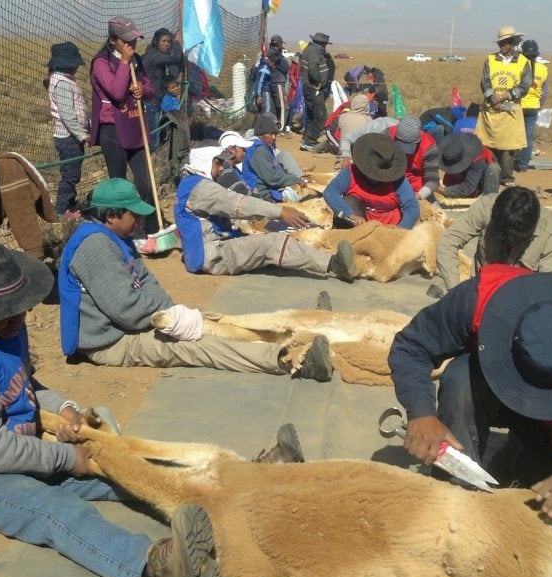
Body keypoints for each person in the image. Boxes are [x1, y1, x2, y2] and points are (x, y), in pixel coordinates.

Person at [0, 243, 221, 577]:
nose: (17, 318)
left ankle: (212, 491)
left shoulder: (7, 328)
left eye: (20, 308)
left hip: (21, 448)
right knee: (53, 510)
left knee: (119, 470)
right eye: (5, 312)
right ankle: (159, 566)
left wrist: (68, 409)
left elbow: (25, 386)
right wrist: (67, 459)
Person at [388, 266, 552, 521]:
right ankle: (458, 482)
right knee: (461, 377)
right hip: (490, 394)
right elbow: (412, 346)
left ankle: (534, 456)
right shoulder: (478, 300)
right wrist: (421, 411)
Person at [59, 177, 345, 381]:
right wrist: (171, 320)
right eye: (133, 215)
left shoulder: (115, 238)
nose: (139, 220)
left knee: (212, 322)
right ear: (111, 216)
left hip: (132, 323)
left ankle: (284, 337)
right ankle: (287, 362)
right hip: (111, 342)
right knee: (197, 347)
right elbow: (126, 309)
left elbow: (147, 283)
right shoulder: (95, 247)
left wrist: (173, 313)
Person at [176, 146, 354, 281]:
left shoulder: (190, 185)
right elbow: (238, 204)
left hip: (213, 245)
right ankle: (333, 265)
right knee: (272, 243)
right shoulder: (201, 188)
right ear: (204, 164)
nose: (222, 168)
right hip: (211, 255)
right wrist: (279, 211)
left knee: (270, 237)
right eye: (217, 164)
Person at [90, 16, 157, 233]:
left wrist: (142, 90)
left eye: (134, 39)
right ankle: (121, 231)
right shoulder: (101, 63)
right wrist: (125, 63)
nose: (132, 45)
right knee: (119, 185)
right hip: (113, 129)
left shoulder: (137, 59)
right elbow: (116, 92)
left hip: (135, 125)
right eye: (126, 40)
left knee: (144, 183)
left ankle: (145, 227)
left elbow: (149, 89)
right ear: (112, 40)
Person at [434, 186, 552, 291]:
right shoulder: (486, 208)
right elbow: (449, 242)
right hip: (480, 290)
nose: (509, 241)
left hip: (520, 301)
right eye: (502, 236)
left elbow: (545, 288)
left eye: (515, 238)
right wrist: (455, 291)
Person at [323, 133, 420, 229]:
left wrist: (400, 228)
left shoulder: (398, 179)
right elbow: (330, 192)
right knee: (349, 202)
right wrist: (350, 214)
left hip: (389, 228)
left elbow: (411, 206)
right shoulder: (350, 172)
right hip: (358, 225)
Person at [476, 26, 531, 188]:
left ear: (513, 42)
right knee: (489, 144)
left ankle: (507, 176)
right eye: (501, 42)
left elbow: (525, 86)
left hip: (511, 112)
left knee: (508, 148)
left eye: (507, 42)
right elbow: (485, 82)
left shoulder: (523, 62)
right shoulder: (490, 60)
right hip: (491, 112)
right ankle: (492, 174)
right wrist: (493, 98)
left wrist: (506, 96)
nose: (504, 46)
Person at [340, 116, 440, 201]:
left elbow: (433, 181)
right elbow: (374, 164)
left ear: (418, 141)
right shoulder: (387, 134)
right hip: (387, 184)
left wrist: (418, 196)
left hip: (415, 188)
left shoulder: (429, 148)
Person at [44, 42, 89, 221]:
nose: (77, 66)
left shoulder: (63, 80)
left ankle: (69, 205)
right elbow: (67, 115)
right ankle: (62, 211)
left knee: (72, 173)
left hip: (71, 136)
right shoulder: (62, 83)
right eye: (75, 63)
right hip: (69, 138)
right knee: (70, 175)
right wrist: (82, 135)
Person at [244, 114, 308, 201]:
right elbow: (272, 179)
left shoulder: (260, 145)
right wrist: (296, 180)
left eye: (275, 134)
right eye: (270, 134)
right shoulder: (259, 150)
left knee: (283, 155)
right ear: (260, 134)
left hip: (265, 184)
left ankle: (300, 179)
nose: (273, 137)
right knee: (302, 197)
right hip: (262, 194)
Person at [141, 28, 183, 151]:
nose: (166, 44)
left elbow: (174, 67)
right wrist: (176, 42)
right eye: (163, 41)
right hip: (151, 101)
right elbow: (175, 58)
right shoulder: (153, 55)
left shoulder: (156, 53)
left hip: (157, 99)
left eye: (169, 42)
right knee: (153, 138)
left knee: (161, 131)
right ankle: (151, 161)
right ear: (156, 42)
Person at [516, 39, 548, 172]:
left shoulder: (517, 67)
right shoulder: (543, 69)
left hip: (518, 105)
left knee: (514, 135)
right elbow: (544, 92)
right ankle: (523, 164)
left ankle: (510, 161)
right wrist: (539, 105)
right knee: (528, 136)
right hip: (533, 107)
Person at [299, 32, 335, 151]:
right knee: (320, 115)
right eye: (324, 44)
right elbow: (313, 67)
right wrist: (317, 82)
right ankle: (310, 141)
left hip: (308, 87)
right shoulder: (314, 52)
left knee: (311, 114)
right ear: (320, 44)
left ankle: (306, 140)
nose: (325, 47)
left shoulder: (310, 50)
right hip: (312, 88)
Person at [438, 133, 501, 199]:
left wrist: (443, 190)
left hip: (480, 179)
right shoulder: (455, 147)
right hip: (465, 173)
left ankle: (488, 200)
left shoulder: (478, 159)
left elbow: (469, 187)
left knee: (493, 169)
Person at [268, 35, 290, 130]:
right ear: (279, 44)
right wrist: (281, 56)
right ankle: (280, 127)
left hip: (272, 82)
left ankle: (274, 125)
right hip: (277, 83)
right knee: (283, 107)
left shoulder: (269, 52)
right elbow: (285, 67)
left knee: (276, 107)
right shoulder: (275, 55)